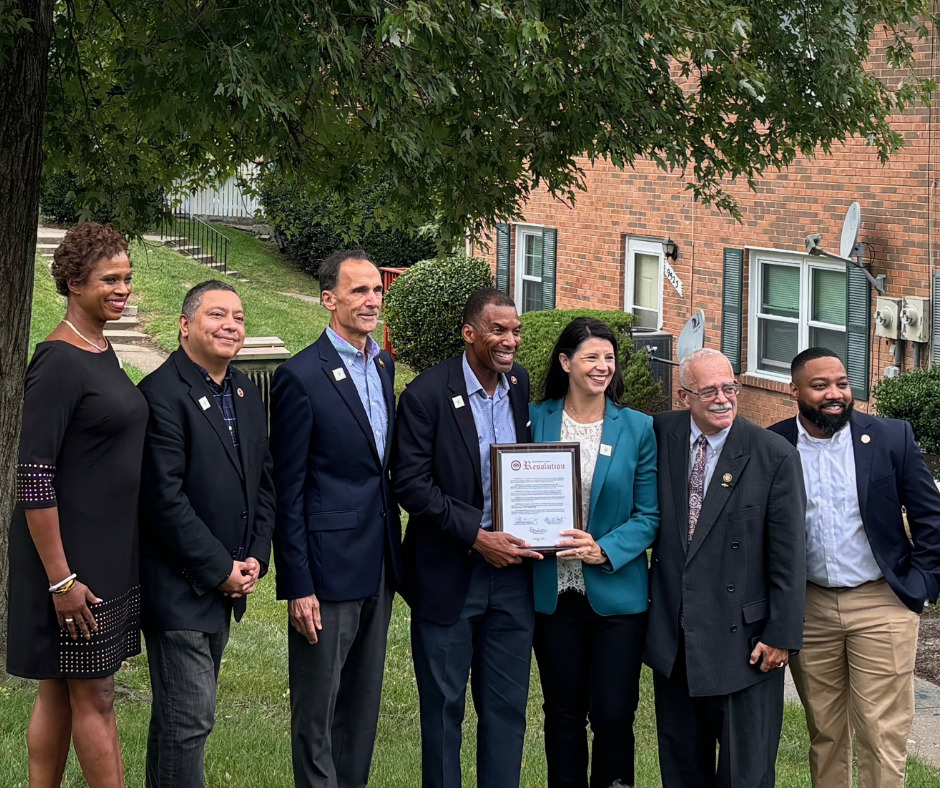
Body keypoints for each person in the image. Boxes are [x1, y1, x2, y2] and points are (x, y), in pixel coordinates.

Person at [6, 222, 146, 788]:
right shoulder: (59, 360)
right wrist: (62, 581)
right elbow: (34, 477)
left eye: (128, 278)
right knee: (95, 693)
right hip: (70, 563)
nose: (123, 289)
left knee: (60, 689)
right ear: (72, 283)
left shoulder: (101, 348)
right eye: (109, 280)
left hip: (104, 553)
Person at [769, 347, 940, 788]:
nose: (835, 394)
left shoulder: (890, 437)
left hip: (881, 600)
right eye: (820, 385)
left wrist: (920, 585)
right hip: (809, 607)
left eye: (841, 384)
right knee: (825, 733)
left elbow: (930, 517)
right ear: (794, 391)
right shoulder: (772, 444)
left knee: (882, 733)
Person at [392, 288, 541, 788]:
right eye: (499, 330)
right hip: (449, 575)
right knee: (443, 710)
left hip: (512, 579)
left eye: (516, 330)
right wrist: (477, 538)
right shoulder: (425, 395)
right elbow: (410, 485)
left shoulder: (518, 384)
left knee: (506, 709)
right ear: (469, 333)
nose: (510, 340)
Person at [644, 347, 806, 788]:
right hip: (677, 643)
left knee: (745, 775)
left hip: (746, 647)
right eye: (709, 390)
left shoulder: (773, 455)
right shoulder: (659, 435)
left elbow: (790, 557)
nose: (723, 398)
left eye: (729, 387)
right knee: (681, 770)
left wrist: (781, 637)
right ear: (683, 397)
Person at [269, 250, 402, 788]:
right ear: (329, 299)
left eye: (376, 290)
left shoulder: (385, 364)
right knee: (318, 712)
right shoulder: (300, 376)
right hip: (325, 572)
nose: (372, 301)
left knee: (362, 708)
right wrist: (298, 584)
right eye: (358, 291)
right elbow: (288, 488)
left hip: (378, 564)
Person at [137, 280, 275, 788]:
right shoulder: (160, 394)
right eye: (217, 315)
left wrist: (257, 555)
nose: (231, 326)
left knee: (179, 723)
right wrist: (219, 570)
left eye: (238, 317)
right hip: (180, 587)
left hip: (227, 582)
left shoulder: (243, 390)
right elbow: (163, 501)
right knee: (189, 719)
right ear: (184, 325)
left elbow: (264, 480)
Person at [528, 317, 659, 788]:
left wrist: (603, 549)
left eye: (609, 358)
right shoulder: (533, 417)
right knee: (562, 714)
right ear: (565, 362)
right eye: (591, 357)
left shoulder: (639, 428)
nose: (603, 366)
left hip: (617, 594)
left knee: (613, 713)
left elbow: (649, 516)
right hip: (553, 592)